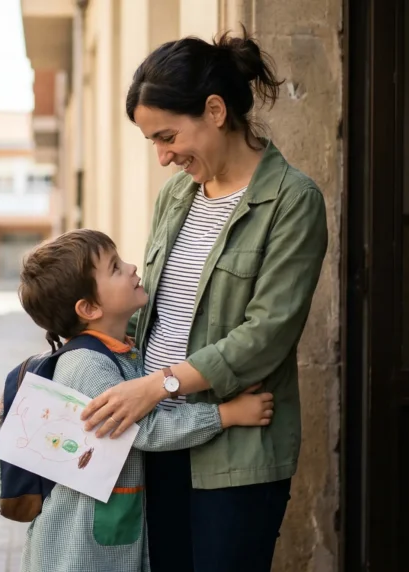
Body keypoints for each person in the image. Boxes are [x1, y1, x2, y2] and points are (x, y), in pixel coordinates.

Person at [78, 28, 329, 572]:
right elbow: (156, 308)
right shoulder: (176, 195)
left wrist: (160, 384)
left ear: (215, 110)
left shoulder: (293, 201)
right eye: (154, 144)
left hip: (236, 456)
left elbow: (267, 335)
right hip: (157, 439)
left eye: (168, 137)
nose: (164, 157)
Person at [17, 229, 275, 572]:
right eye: (114, 268)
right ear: (89, 308)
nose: (132, 267)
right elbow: (145, 430)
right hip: (79, 551)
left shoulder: (123, 349)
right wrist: (225, 415)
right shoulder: (86, 364)